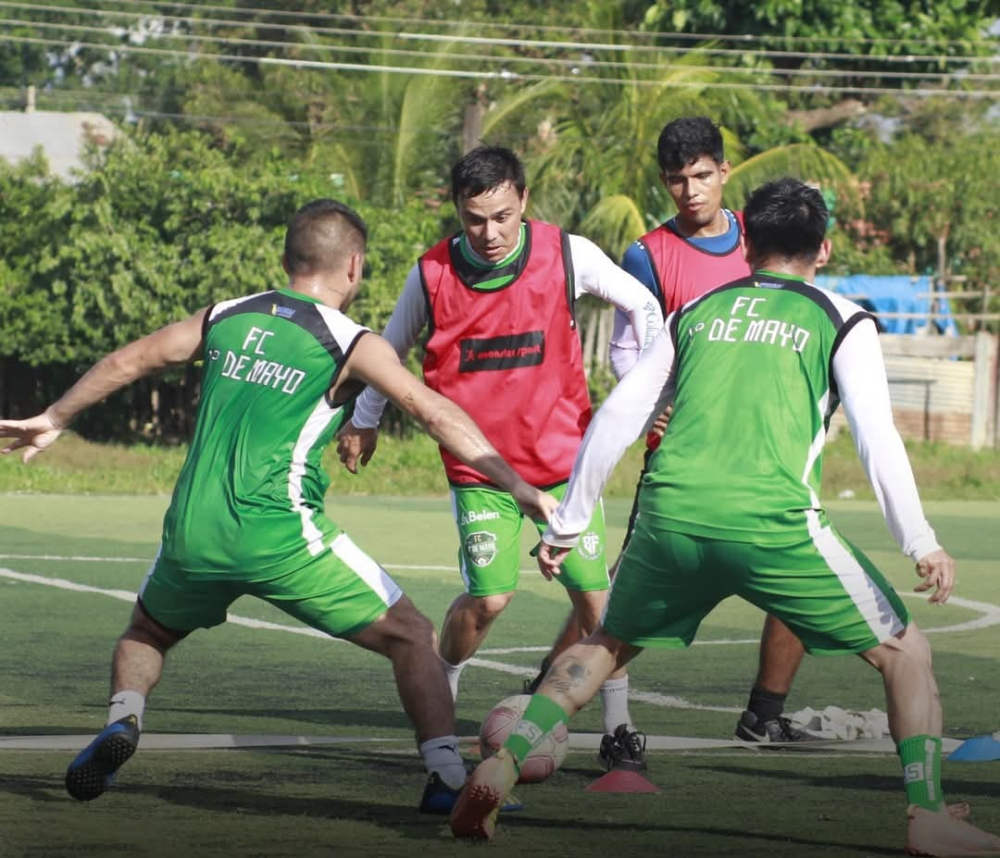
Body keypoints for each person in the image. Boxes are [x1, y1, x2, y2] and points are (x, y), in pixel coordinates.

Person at [449, 178, 1000, 857]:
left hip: (671, 514)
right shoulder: (843, 317)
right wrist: (920, 540)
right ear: (822, 248)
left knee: (607, 644)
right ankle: (928, 815)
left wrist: (570, 519)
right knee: (906, 653)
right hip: (772, 524)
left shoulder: (700, 309)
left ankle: (503, 765)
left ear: (747, 243)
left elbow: (621, 413)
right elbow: (876, 437)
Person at [0, 198, 557, 815]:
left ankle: (123, 721)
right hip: (280, 536)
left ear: (288, 259)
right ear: (355, 265)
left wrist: (54, 418)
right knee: (415, 637)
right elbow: (432, 411)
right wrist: (515, 484)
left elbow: (130, 360)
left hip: (191, 533)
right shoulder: (349, 341)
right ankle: (446, 776)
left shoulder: (226, 315)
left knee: (147, 631)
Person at [335, 146, 663, 761]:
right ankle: (444, 685)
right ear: (459, 212)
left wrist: (648, 381)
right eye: (474, 219)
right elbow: (389, 349)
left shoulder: (568, 253)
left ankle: (618, 729)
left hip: (567, 464)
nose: (489, 233)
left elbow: (643, 304)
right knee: (489, 598)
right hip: (481, 469)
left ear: (524, 201)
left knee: (594, 597)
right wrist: (364, 418)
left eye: (503, 217)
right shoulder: (432, 273)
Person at [526, 116, 819, 748]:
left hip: (766, 443)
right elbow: (632, 347)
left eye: (702, 176)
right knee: (615, 600)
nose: (690, 191)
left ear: (724, 173)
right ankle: (547, 691)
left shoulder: (759, 238)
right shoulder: (647, 253)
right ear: (665, 182)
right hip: (682, 455)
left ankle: (764, 711)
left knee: (802, 569)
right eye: (677, 180)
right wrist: (655, 403)